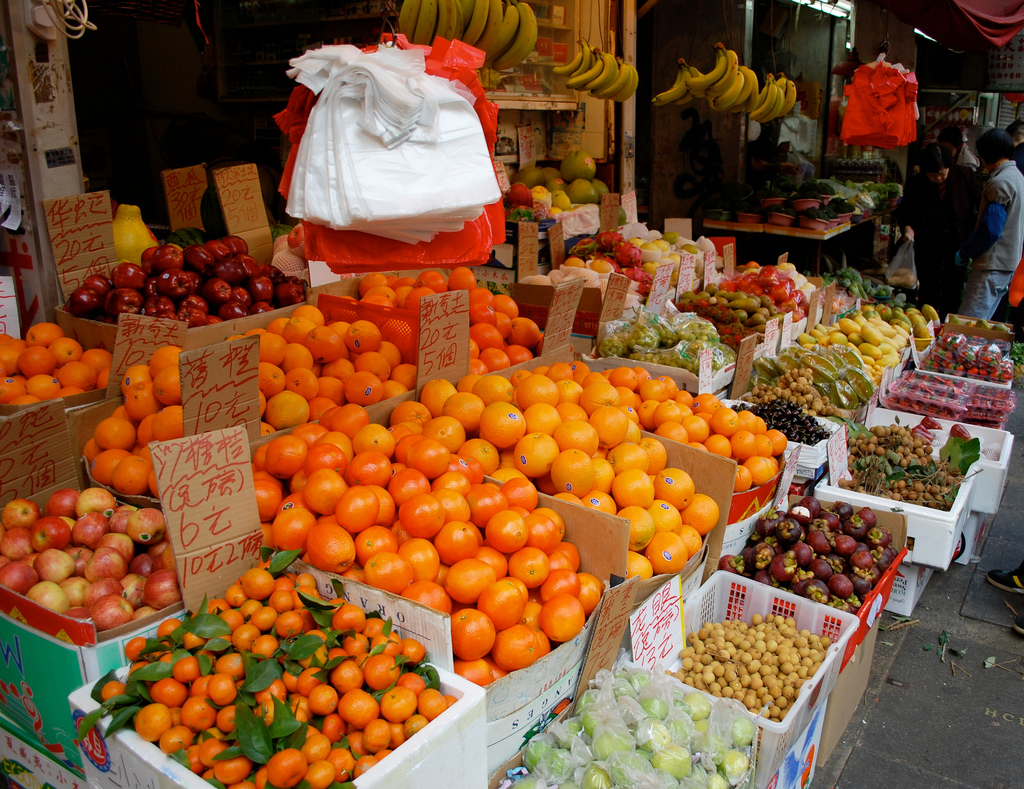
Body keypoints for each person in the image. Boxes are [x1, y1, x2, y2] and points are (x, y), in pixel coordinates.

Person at [895, 144, 980, 318]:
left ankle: (947, 324)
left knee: (954, 288)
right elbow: (904, 211)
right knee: (928, 287)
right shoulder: (916, 184)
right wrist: (907, 228)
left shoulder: (965, 176)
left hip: (958, 243)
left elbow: (979, 205)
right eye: (933, 175)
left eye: (943, 173)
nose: (939, 178)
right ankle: (927, 326)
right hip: (928, 245)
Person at [957, 128, 1024, 319]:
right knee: (982, 323)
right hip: (1007, 264)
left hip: (991, 266)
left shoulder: (1001, 182)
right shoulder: (1018, 177)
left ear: (987, 155)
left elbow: (991, 229)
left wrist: (966, 251)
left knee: (968, 324)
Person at [746, 120, 798, 193]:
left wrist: (778, 151)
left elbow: (765, 154)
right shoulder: (754, 128)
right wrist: (782, 166)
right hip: (752, 184)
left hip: (764, 183)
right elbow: (755, 164)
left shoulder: (771, 126)